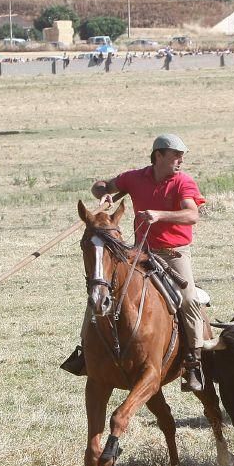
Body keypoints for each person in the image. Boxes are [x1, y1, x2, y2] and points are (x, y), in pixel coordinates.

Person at [61, 134, 208, 391]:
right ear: (159, 155)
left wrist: (159, 215)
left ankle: (193, 362)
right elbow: (101, 185)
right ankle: (86, 352)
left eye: (181, 156)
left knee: (189, 299)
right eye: (176, 155)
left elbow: (192, 214)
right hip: (137, 253)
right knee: (100, 291)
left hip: (174, 253)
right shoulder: (134, 178)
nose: (181, 160)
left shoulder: (183, 182)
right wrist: (105, 192)